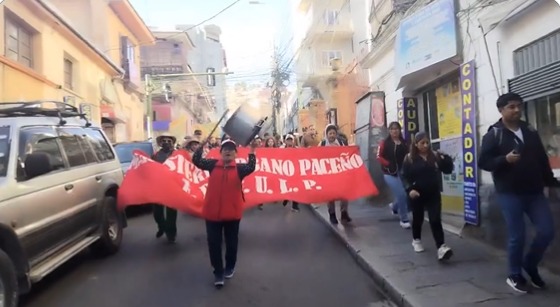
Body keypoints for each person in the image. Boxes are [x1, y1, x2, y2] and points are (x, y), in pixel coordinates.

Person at [478, 92, 558, 293]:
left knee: (547, 231)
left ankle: (530, 264)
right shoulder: (493, 134)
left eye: (519, 106)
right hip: (509, 193)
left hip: (534, 191)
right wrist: (504, 160)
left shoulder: (529, 130)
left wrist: (550, 184)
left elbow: (541, 158)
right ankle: (514, 274)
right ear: (501, 110)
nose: (516, 110)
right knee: (517, 235)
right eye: (511, 107)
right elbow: (483, 162)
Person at [192, 138, 257, 288]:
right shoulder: (212, 165)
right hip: (212, 213)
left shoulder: (240, 168)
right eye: (225, 149)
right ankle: (218, 272)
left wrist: (252, 151)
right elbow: (196, 160)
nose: (228, 151)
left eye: (231, 149)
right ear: (220, 153)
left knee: (231, 243)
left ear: (236, 154)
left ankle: (230, 266)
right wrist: (202, 145)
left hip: (232, 214)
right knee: (213, 243)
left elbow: (251, 167)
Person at [401, 131, 454, 260]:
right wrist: (410, 190)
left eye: (427, 142)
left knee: (435, 219)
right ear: (416, 144)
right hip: (417, 193)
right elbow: (404, 177)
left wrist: (446, 158)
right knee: (418, 218)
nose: (425, 145)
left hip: (433, 193)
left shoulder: (434, 156)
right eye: (422, 143)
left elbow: (447, 170)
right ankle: (416, 239)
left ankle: (441, 246)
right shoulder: (409, 158)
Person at [377, 121, 410, 228]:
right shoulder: (384, 143)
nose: (394, 131)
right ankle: (404, 219)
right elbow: (379, 157)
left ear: (400, 130)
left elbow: (409, 155)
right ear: (389, 131)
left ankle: (395, 207)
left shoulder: (404, 142)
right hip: (389, 172)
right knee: (401, 194)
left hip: (402, 171)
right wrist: (388, 164)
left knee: (405, 192)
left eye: (396, 129)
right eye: (392, 129)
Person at [320, 124, 352, 224]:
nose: (332, 135)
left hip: (340, 171)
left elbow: (347, 154)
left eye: (334, 133)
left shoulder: (342, 142)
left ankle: (344, 213)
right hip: (328, 173)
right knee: (330, 195)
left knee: (344, 193)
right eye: (330, 133)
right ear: (327, 134)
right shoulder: (322, 144)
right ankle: (332, 214)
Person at [151, 135, 179, 243]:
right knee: (157, 212)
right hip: (158, 186)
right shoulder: (155, 155)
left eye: (169, 141)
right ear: (160, 143)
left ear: (173, 143)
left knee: (171, 212)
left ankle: (171, 234)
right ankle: (161, 227)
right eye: (164, 141)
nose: (166, 142)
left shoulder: (177, 155)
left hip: (173, 187)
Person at [281, 134, 300, 212]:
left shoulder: (297, 149)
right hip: (285, 171)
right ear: (285, 141)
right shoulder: (281, 149)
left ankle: (295, 205)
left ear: (293, 141)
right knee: (287, 187)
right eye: (288, 140)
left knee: (296, 188)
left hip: (295, 171)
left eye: (291, 140)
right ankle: (286, 198)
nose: (289, 141)